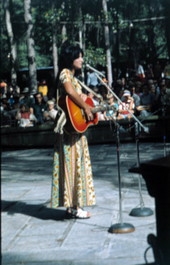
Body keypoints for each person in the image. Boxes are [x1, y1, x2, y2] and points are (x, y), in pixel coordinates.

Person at [51, 43, 96, 219]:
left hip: (74, 130)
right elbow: (69, 92)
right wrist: (85, 106)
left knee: (74, 165)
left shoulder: (73, 77)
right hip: (70, 131)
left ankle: (72, 206)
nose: (81, 59)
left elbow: (75, 96)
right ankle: (75, 207)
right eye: (79, 56)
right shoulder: (65, 73)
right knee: (73, 166)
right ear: (71, 58)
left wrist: (87, 100)